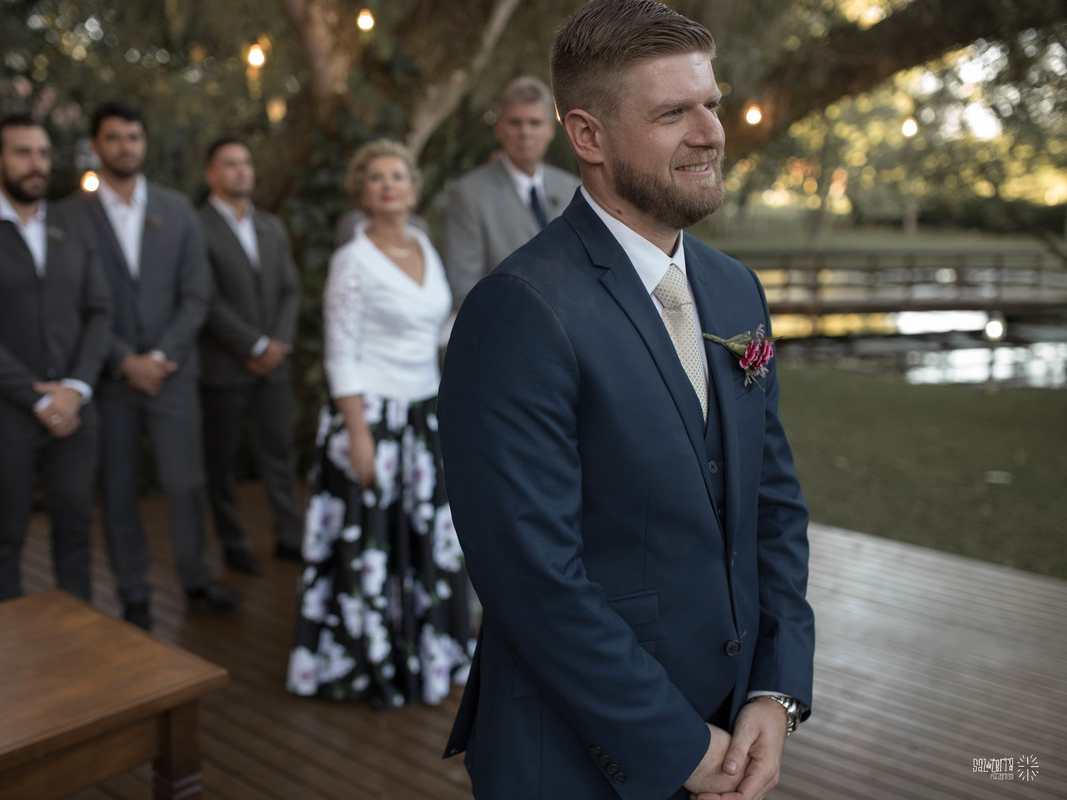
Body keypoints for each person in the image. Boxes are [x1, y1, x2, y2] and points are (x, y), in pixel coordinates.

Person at [438, 3, 815, 799]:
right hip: (576, 758)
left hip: (737, 733)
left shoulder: (732, 285)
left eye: (710, 102)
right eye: (673, 112)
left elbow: (771, 506)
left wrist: (774, 692)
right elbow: (533, 577)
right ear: (588, 136)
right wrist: (678, 745)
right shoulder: (517, 311)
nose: (710, 131)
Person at [286, 140, 473, 709]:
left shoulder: (422, 243)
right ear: (361, 193)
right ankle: (365, 661)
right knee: (368, 544)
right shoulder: (352, 259)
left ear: (413, 190)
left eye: (398, 175)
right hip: (369, 419)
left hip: (423, 414)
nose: (389, 184)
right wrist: (359, 435)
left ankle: (430, 653)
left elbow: (437, 328)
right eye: (376, 177)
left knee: (427, 543)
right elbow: (339, 353)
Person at [60, 102, 237, 630]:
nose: (126, 147)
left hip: (173, 376)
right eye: (114, 138)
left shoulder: (179, 208)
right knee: (118, 491)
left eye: (134, 137)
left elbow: (197, 293)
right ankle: (133, 592)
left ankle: (196, 577)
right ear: (98, 145)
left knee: (185, 483)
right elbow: (71, 302)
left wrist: (160, 357)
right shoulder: (70, 215)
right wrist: (123, 359)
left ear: (144, 143)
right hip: (110, 379)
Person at [0, 115, 111, 605]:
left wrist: (75, 389)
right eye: (22, 153)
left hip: (77, 411)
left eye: (43, 153)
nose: (37, 165)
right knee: (5, 537)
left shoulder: (75, 224)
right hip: (6, 412)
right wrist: (36, 399)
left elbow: (100, 312)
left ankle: (80, 637)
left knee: (76, 531)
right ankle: (7, 655)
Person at [197, 137, 303, 570]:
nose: (242, 171)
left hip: (273, 366)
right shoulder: (195, 226)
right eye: (230, 164)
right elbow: (203, 297)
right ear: (211, 174)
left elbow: (290, 290)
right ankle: (234, 542)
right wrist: (253, 345)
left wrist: (275, 344)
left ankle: (289, 536)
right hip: (224, 365)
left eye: (245, 163)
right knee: (221, 461)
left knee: (279, 452)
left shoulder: (272, 226)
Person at [443, 75, 580, 313]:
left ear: (550, 129)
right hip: (505, 329)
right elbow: (463, 287)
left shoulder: (573, 188)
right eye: (515, 122)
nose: (525, 132)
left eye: (534, 123)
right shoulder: (470, 193)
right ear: (499, 128)